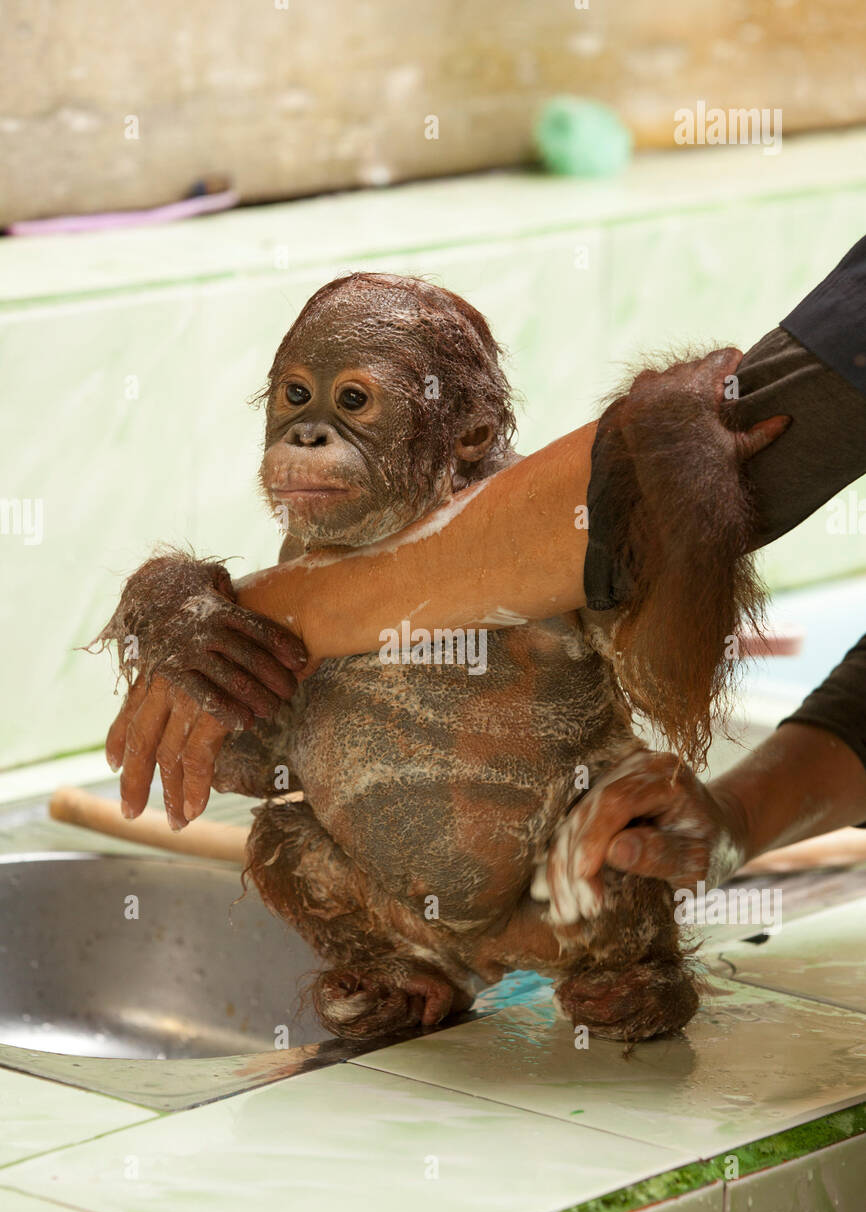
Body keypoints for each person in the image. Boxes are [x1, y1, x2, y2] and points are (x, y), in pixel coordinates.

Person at [104, 238, 866, 904]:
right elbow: (241, 757)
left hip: (552, 905)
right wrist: (174, 600)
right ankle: (407, 965)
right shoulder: (306, 560)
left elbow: (670, 680)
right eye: (296, 399)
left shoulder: (542, 576)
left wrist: (673, 468)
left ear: (467, 432)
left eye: (354, 402)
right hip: (386, 910)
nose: (308, 436)